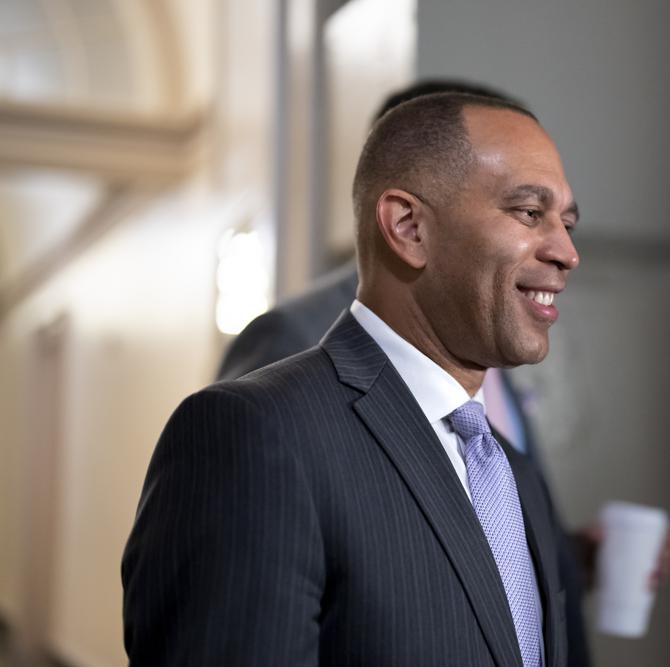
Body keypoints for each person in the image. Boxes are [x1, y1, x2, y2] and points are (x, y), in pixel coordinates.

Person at [123, 92, 581, 665]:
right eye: (530, 213)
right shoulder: (252, 437)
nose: (567, 252)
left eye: (567, 222)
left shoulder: (512, 472)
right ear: (409, 227)